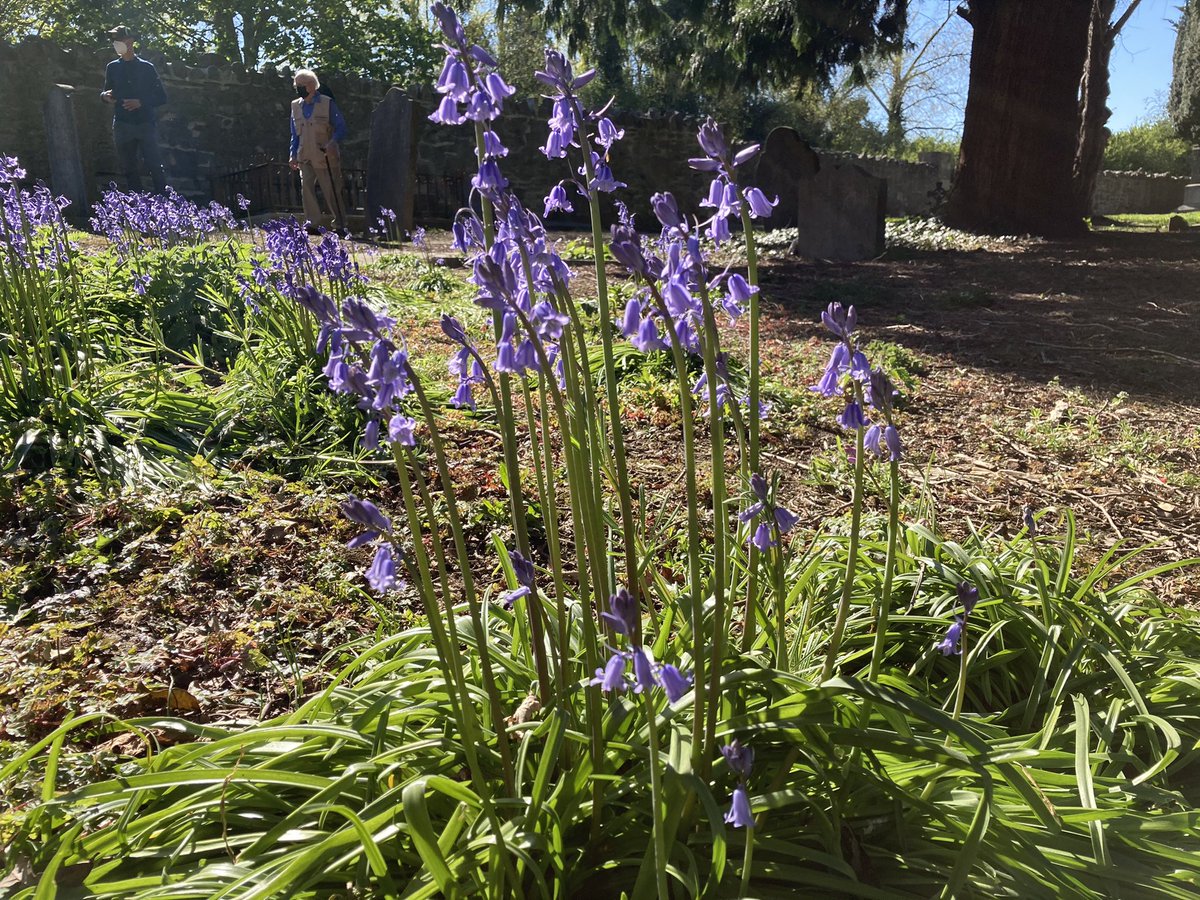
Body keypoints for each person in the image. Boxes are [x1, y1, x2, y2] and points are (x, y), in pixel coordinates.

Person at [100, 26, 168, 193]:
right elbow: (106, 91)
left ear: (130, 42)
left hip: (145, 123)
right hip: (122, 124)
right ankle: (137, 207)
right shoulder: (112, 67)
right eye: (114, 42)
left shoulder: (147, 68)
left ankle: (165, 204)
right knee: (129, 168)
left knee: (154, 165)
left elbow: (162, 97)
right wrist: (104, 96)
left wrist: (141, 102)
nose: (116, 45)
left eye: (119, 41)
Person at [289, 69, 348, 234]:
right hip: (305, 155)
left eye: (301, 84)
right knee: (306, 188)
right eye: (296, 84)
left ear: (312, 85)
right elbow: (294, 133)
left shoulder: (327, 103)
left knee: (331, 190)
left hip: (324, 155)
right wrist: (292, 154)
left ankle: (340, 225)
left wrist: (333, 142)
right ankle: (312, 224)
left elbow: (341, 127)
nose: (298, 88)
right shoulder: (295, 106)